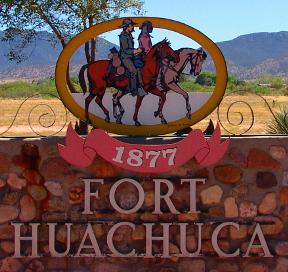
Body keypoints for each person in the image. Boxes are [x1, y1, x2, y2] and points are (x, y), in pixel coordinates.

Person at [119, 18, 142, 96]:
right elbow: (125, 50)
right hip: (125, 57)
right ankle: (133, 90)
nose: (133, 27)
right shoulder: (123, 36)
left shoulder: (129, 35)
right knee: (133, 71)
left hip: (130, 56)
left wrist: (136, 52)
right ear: (127, 26)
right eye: (131, 25)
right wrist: (136, 51)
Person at [135, 21, 153, 86]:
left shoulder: (146, 36)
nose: (151, 28)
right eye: (150, 27)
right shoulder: (144, 37)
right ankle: (141, 81)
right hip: (143, 55)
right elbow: (146, 49)